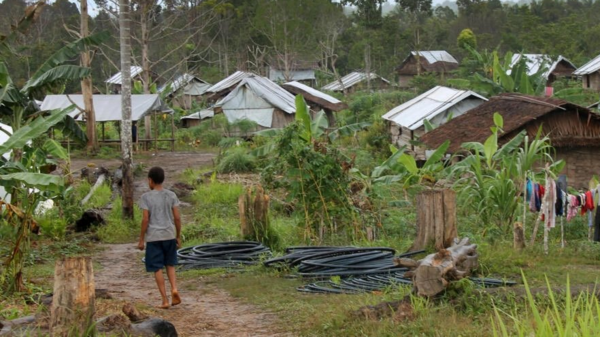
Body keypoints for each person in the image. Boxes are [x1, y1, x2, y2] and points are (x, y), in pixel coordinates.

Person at [137, 166, 182, 309]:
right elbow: (177, 217)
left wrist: (141, 239)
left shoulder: (146, 197)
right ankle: (174, 288)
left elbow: (145, 219)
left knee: (157, 268)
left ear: (150, 180)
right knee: (170, 264)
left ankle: (164, 300)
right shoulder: (171, 195)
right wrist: (178, 235)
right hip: (169, 234)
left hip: (154, 237)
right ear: (163, 179)